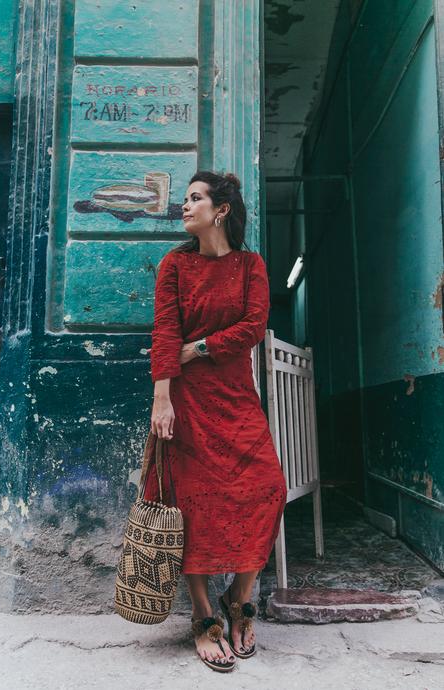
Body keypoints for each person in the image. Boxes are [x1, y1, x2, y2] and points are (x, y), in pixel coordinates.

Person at [145, 170, 287, 673]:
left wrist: (200, 347)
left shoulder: (250, 265)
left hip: (235, 396)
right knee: (193, 503)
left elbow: (253, 325)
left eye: (195, 199)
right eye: (185, 199)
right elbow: (164, 333)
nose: (184, 207)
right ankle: (204, 614)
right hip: (186, 401)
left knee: (268, 486)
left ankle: (240, 600)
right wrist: (162, 398)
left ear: (221, 210)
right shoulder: (174, 266)